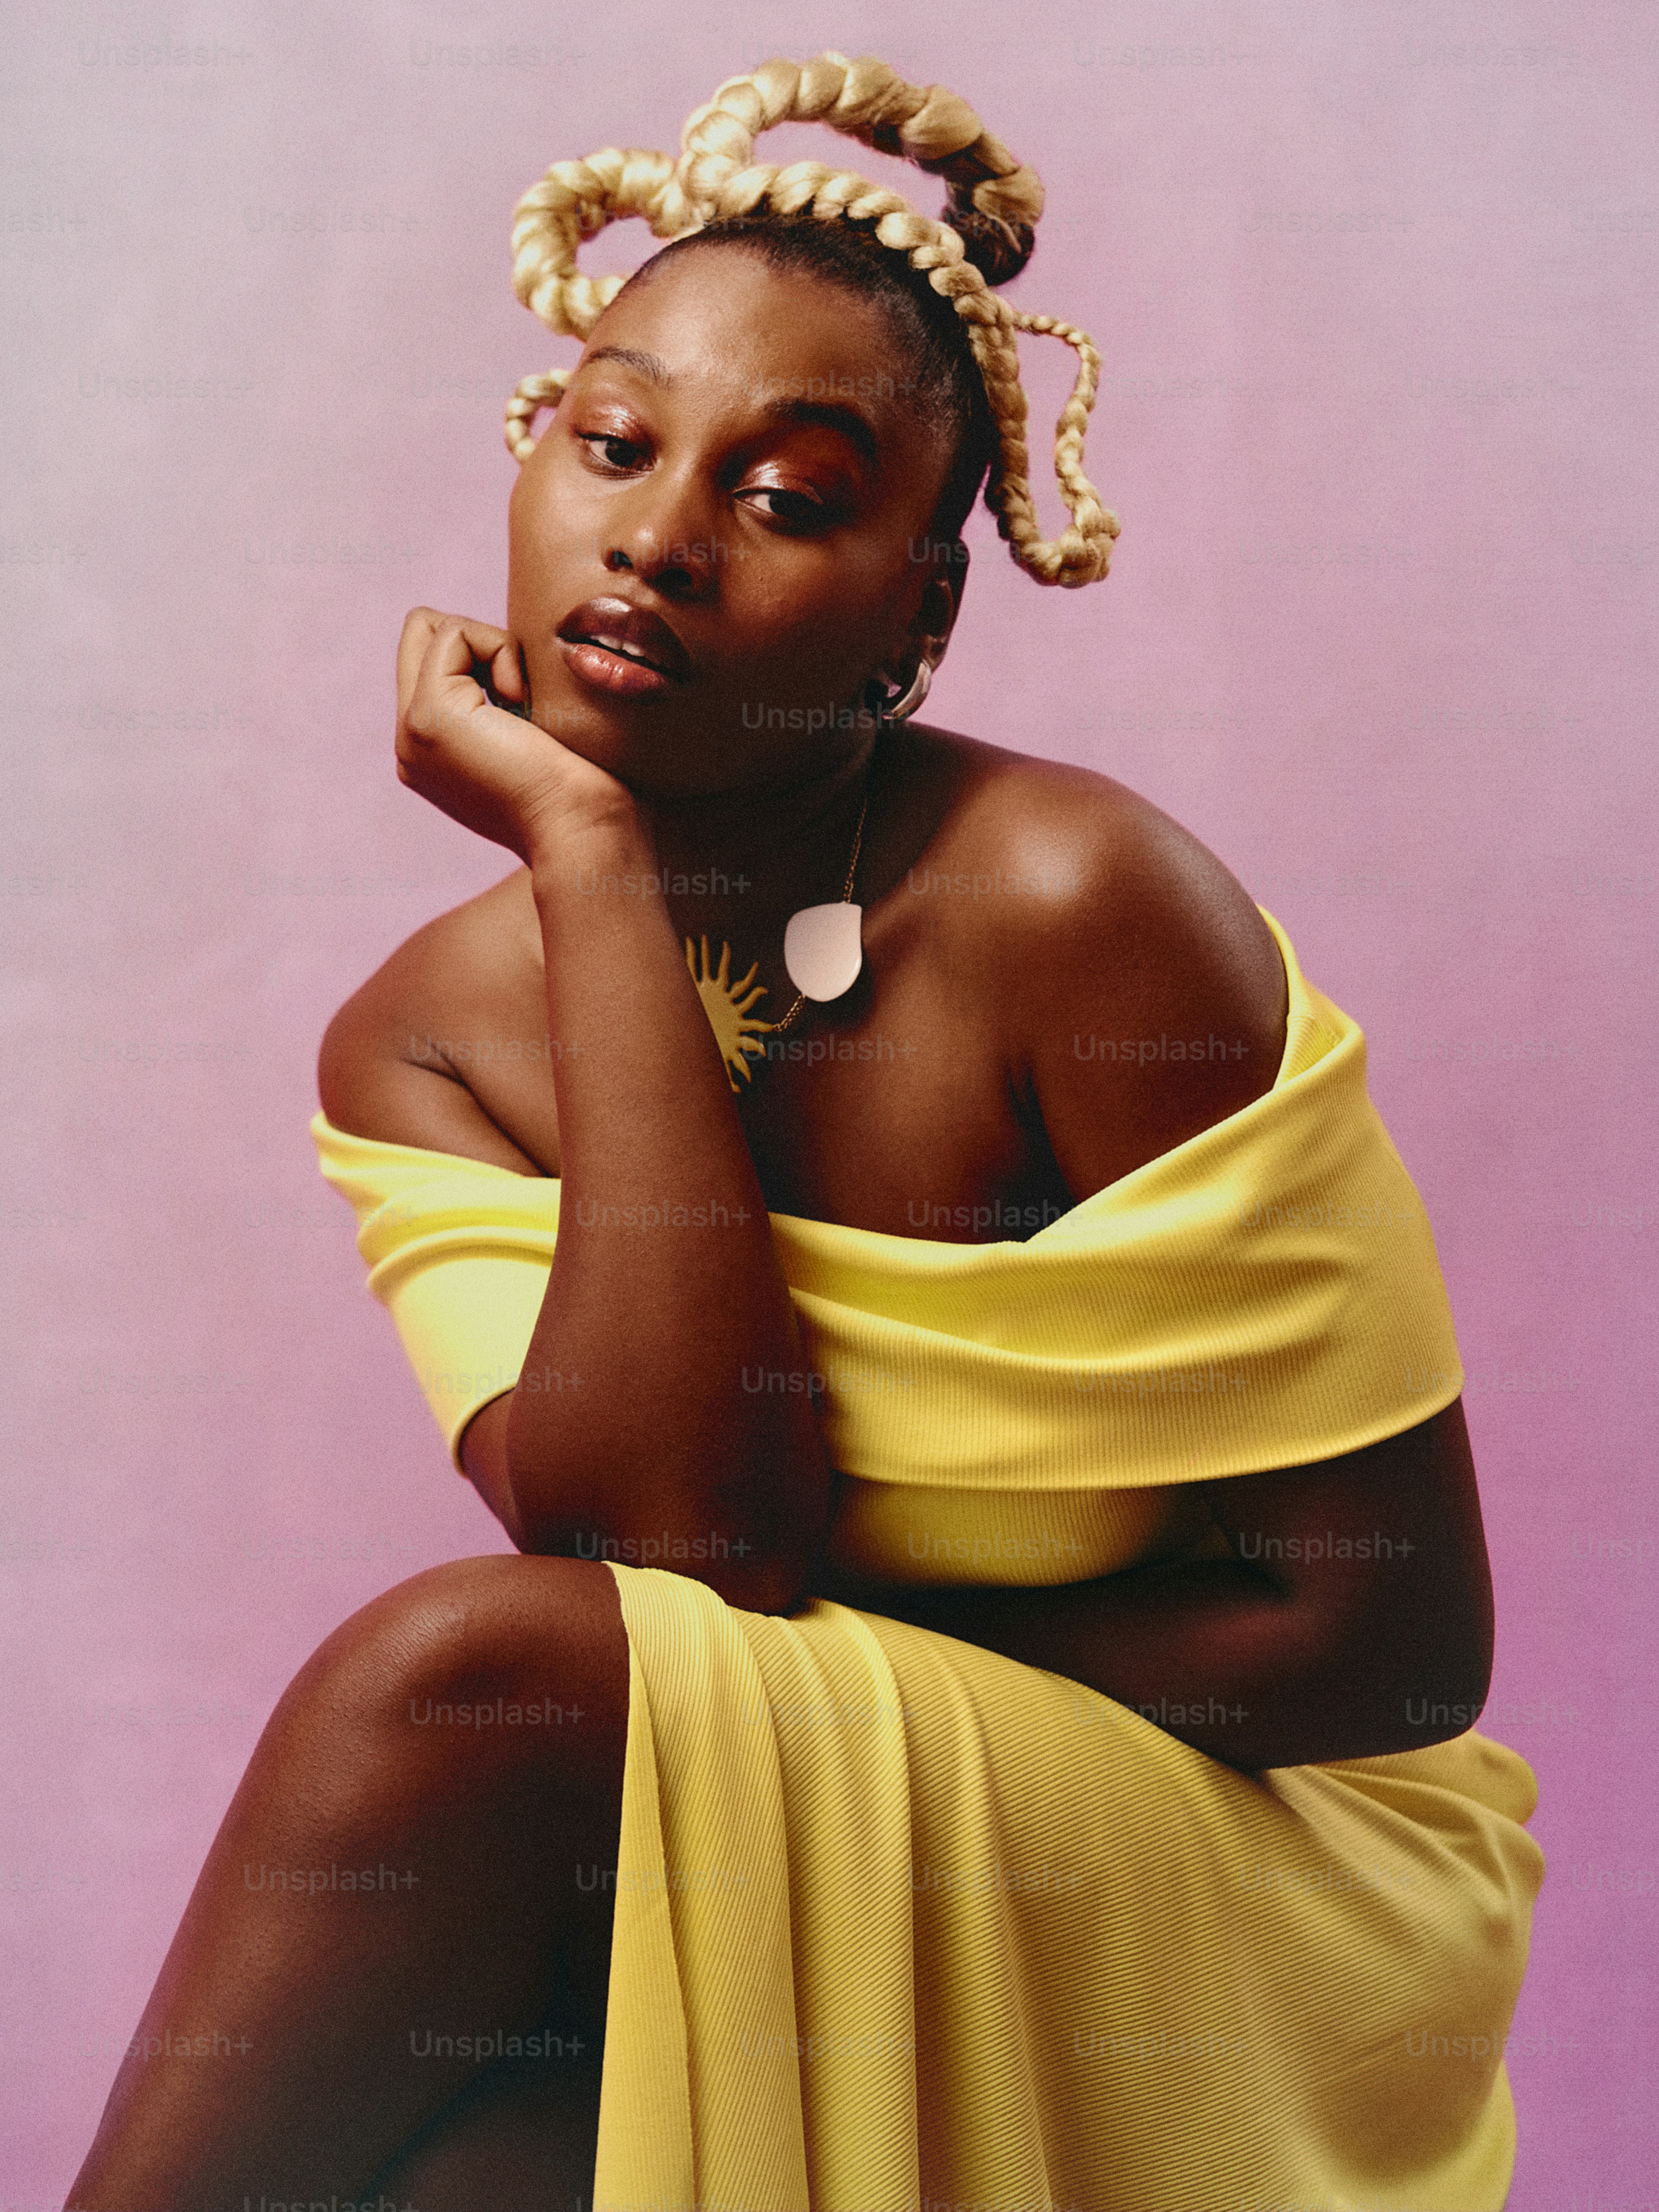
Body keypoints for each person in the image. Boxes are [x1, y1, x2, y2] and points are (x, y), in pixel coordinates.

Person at [68, 52, 1542, 2212]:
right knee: (459, 2170)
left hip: (1252, 1877)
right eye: (614, 441)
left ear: (922, 619)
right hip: (809, 1807)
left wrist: (817, 1707)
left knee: (476, 1684)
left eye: (787, 491)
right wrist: (599, 872)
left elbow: (1383, 1634)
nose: (657, 533)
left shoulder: (1088, 917)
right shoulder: (424, 1048)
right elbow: (678, 1530)